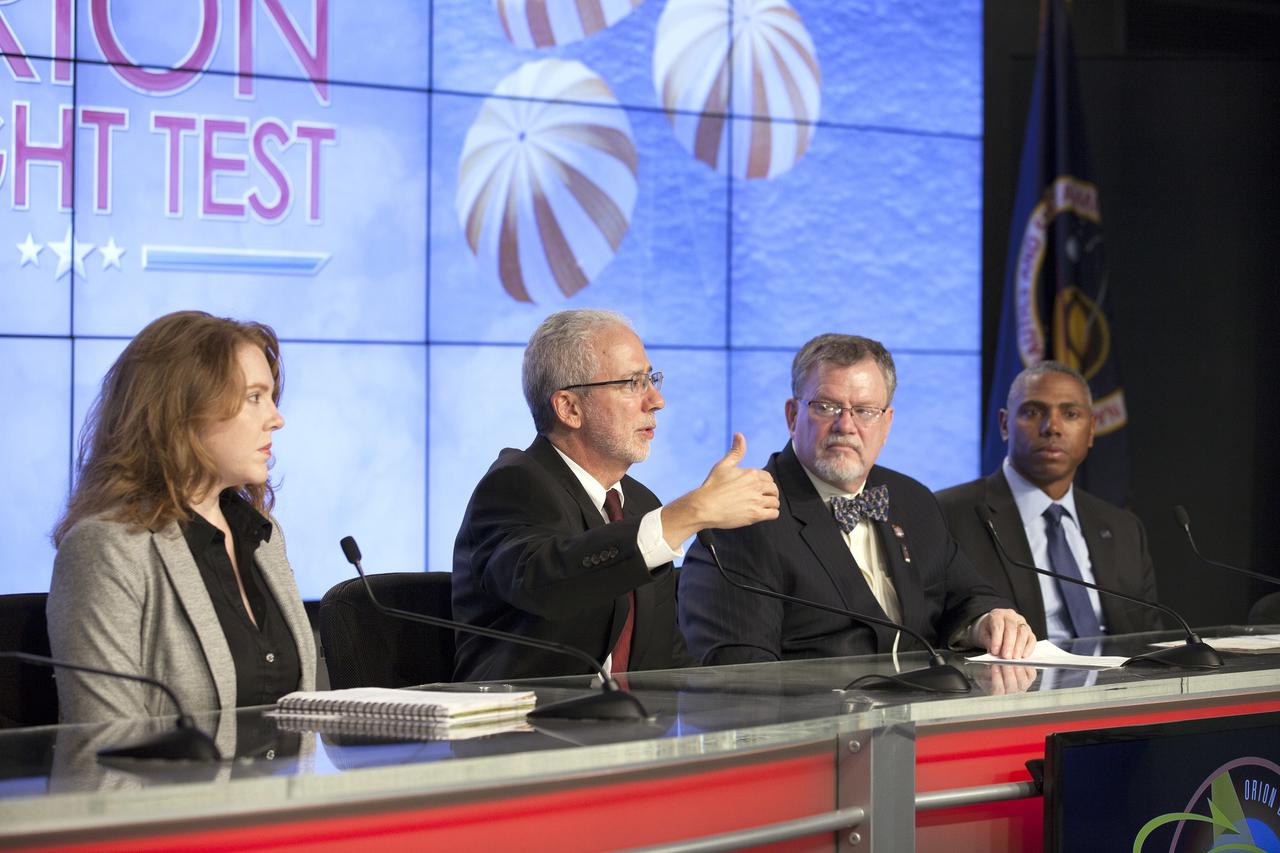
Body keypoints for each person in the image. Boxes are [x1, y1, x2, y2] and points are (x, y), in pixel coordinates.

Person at [451, 309, 780, 681]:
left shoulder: (639, 505)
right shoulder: (514, 485)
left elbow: (666, 665)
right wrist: (690, 512)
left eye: (651, 379)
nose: (656, 400)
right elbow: (549, 584)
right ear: (570, 408)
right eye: (633, 383)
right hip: (526, 730)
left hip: (631, 732)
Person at [679, 333, 1036, 665]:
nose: (846, 426)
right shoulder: (744, 518)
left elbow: (968, 597)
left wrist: (987, 620)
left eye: (864, 411)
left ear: (887, 423)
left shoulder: (913, 500)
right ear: (792, 415)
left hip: (925, 720)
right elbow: (740, 678)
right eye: (826, 407)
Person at [48, 311, 315, 723]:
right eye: (254, 397)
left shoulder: (263, 536)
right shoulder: (106, 548)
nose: (276, 419)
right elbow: (105, 747)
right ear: (185, 411)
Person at [936, 361, 1162, 642]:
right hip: (1016, 682)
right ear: (1004, 425)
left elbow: (1150, 638)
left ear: (1091, 430)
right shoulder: (948, 515)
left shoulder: (1124, 528)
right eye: (1033, 412)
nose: (1052, 427)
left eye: (1070, 414)